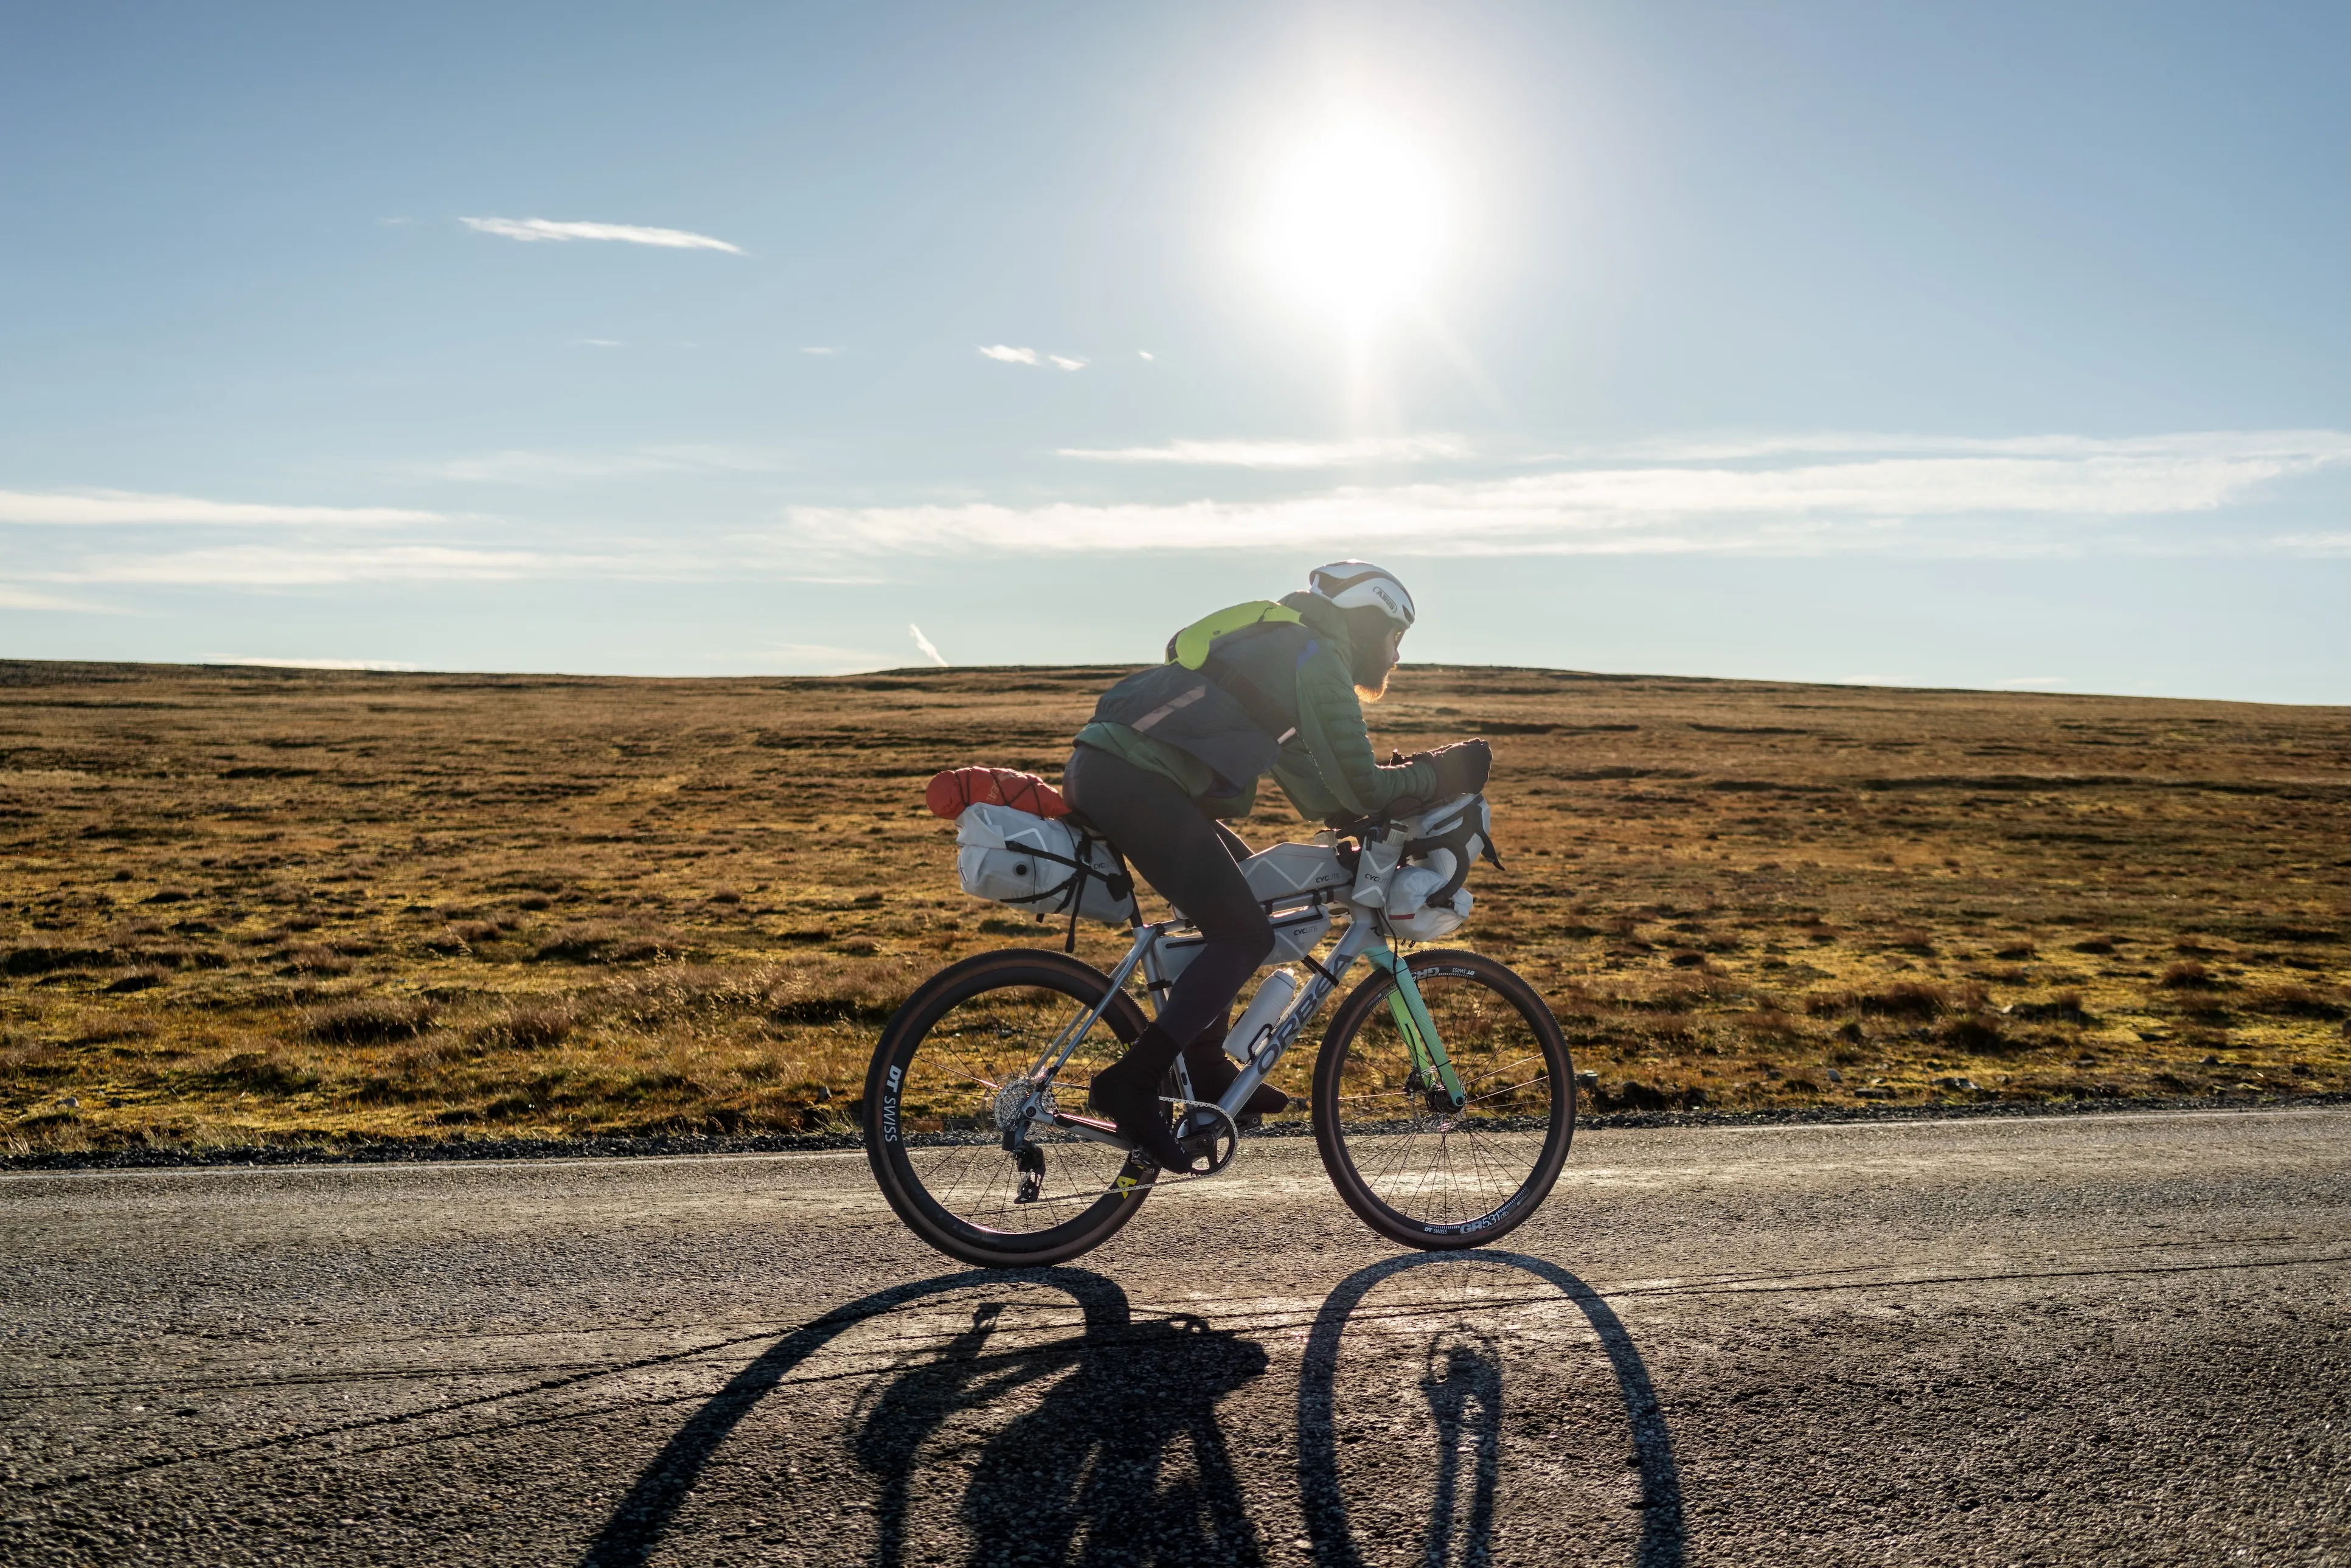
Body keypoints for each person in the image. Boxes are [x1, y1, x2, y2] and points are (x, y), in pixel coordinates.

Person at [1063, 561, 1492, 1170]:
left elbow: (1320, 792)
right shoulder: (1318, 656)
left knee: (1249, 891)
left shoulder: (1285, 648)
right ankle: (1130, 1083)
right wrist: (1440, 772)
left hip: (1114, 772)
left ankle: (1204, 1065)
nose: (1397, 657)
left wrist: (1369, 808)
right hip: (1135, 782)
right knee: (1244, 933)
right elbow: (1363, 784)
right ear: (1368, 624)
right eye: (1396, 638)